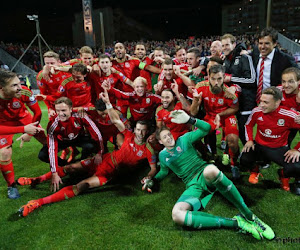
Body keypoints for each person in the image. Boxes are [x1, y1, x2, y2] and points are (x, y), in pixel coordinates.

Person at [19, 90, 157, 217]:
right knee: (70, 168)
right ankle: (36, 179)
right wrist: (108, 102)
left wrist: (148, 177)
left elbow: (153, 168)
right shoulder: (128, 134)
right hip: (103, 160)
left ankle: (37, 202)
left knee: (82, 185)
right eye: (138, 129)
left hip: (109, 174)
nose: (140, 133)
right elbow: (115, 120)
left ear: (148, 132)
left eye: (144, 130)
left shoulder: (148, 149)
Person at [142, 109, 274, 240]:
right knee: (177, 215)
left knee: (210, 170)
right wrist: (153, 180)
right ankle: (236, 223)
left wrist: (190, 120)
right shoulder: (163, 155)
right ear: (160, 142)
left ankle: (249, 216)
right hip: (193, 185)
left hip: (205, 174)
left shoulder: (184, 139)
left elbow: (207, 128)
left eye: (169, 135)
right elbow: (163, 172)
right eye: (165, 137)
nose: (169, 138)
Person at [240, 87, 300, 195]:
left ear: (277, 102)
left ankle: (283, 175)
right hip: (259, 146)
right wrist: (249, 140)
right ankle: (255, 170)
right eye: (261, 101)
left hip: (278, 149)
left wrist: (297, 149)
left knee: (296, 167)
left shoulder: (289, 115)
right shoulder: (256, 111)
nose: (261, 105)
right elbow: (248, 125)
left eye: (266, 102)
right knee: (244, 159)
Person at [38, 97, 104, 192]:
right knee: (43, 155)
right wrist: (54, 172)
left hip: (79, 138)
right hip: (63, 140)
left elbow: (96, 134)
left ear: (71, 109)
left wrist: (99, 152)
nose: (60, 114)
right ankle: (67, 165)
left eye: (64, 110)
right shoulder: (53, 124)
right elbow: (52, 148)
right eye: (58, 111)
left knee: (90, 146)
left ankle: (81, 167)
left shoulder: (81, 116)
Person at [0, 69, 46, 199]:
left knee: (46, 141)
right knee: (4, 152)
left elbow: (37, 113)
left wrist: (30, 131)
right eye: (14, 85)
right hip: (3, 124)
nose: (20, 88)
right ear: (1, 87)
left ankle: (60, 168)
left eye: (19, 83)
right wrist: (24, 130)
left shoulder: (24, 91)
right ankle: (11, 186)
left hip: (23, 118)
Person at [190, 65, 240, 179]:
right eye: (213, 79)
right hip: (210, 116)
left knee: (233, 140)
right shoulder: (200, 87)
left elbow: (235, 108)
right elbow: (193, 112)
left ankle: (234, 163)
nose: (216, 82)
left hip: (226, 115)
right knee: (194, 138)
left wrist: (220, 114)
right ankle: (209, 156)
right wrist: (196, 101)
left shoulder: (229, 92)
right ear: (208, 77)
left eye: (219, 79)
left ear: (224, 78)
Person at [221, 33, 256, 145]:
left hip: (247, 101)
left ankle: (255, 159)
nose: (225, 47)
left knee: (245, 132)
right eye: (223, 45)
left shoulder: (244, 57)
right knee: (236, 132)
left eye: (227, 44)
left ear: (234, 44)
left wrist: (231, 78)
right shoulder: (226, 60)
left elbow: (251, 80)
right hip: (234, 101)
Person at [252, 27, 298, 104]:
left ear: (275, 44)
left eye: (267, 43)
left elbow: (298, 76)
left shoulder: (286, 59)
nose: (262, 47)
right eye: (260, 43)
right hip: (256, 101)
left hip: (277, 101)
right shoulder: (255, 54)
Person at [36, 51, 71, 117]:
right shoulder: (41, 76)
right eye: (47, 63)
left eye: (52, 63)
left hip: (70, 102)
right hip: (55, 104)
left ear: (59, 62)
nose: (49, 66)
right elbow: (43, 94)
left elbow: (80, 68)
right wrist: (49, 109)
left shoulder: (67, 70)